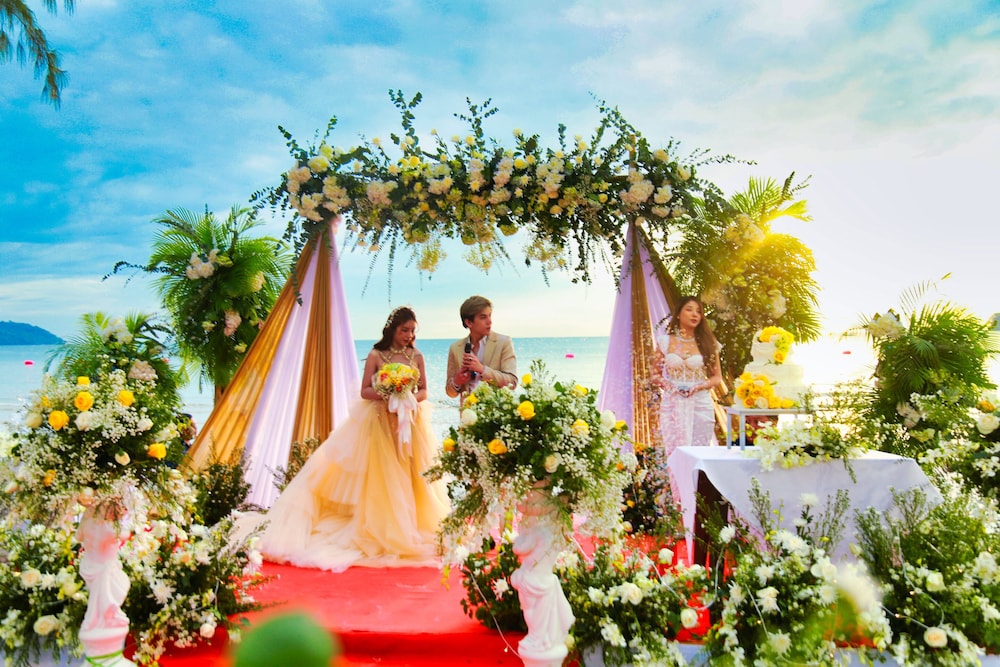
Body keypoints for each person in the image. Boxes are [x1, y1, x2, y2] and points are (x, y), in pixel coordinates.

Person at [255, 306, 450, 571]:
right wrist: (388, 394)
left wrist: (408, 399)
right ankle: (383, 526)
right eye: (405, 330)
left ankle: (413, 524)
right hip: (379, 424)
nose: (409, 335)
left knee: (412, 473)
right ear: (393, 329)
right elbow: (364, 391)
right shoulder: (376, 355)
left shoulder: (417, 356)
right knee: (384, 474)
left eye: (413, 331)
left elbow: (425, 389)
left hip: (410, 423)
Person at [656, 296, 723, 455]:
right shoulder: (665, 341)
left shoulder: (708, 343)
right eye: (689, 310)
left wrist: (700, 386)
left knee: (699, 452)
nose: (694, 314)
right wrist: (669, 386)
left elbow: (716, 377)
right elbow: (654, 374)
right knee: (674, 453)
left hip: (700, 404)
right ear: (678, 314)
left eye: (698, 312)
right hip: (672, 403)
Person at [445, 295, 518, 398]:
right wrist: (457, 382)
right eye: (483, 317)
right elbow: (450, 393)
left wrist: (483, 370)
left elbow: (512, 383)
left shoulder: (504, 342)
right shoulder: (455, 348)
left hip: (496, 407)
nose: (489, 321)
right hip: (467, 408)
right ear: (468, 322)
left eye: (490, 315)